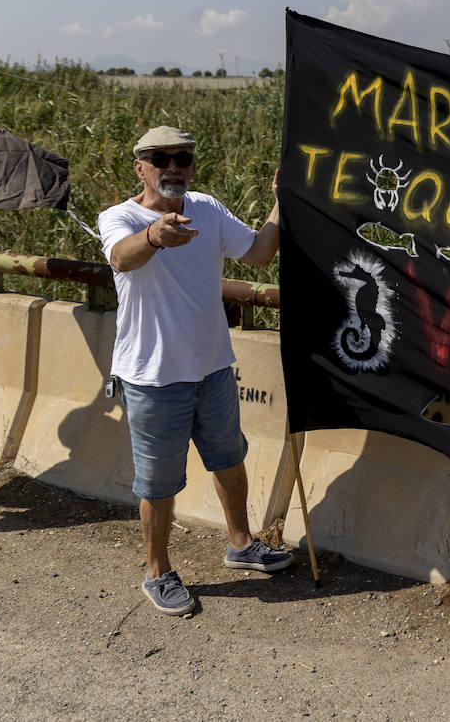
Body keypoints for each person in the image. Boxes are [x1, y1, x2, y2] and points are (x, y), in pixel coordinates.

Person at [99, 125, 293, 616]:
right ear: (139, 166)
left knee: (229, 459)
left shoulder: (206, 208)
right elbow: (123, 258)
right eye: (160, 159)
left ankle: (242, 545)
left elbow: (259, 254)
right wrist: (154, 235)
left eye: (183, 159)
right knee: (159, 482)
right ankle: (158, 571)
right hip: (151, 378)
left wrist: (279, 200)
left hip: (213, 368)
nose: (173, 168)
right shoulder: (120, 217)